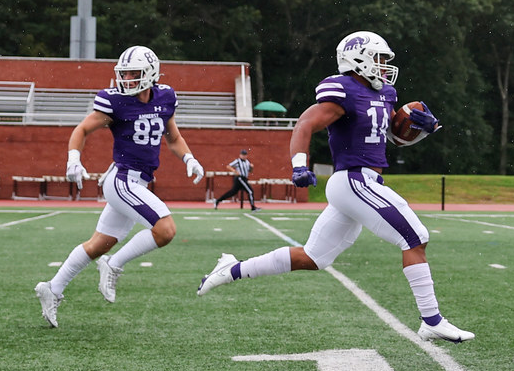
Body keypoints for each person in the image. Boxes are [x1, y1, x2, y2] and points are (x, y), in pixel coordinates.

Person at [196, 31, 474, 344]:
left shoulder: (385, 93)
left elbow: (390, 137)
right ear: (359, 58)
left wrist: (421, 129)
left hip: (362, 182)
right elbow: (305, 123)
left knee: (313, 257)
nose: (384, 65)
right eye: (379, 58)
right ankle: (432, 320)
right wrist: (299, 165)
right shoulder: (344, 89)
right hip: (354, 179)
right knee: (415, 237)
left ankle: (231, 269)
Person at [34, 45, 205, 328]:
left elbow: (173, 137)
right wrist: (73, 159)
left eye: (133, 74)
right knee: (165, 230)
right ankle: (113, 264)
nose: (126, 79)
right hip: (122, 179)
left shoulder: (165, 97)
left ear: (150, 73)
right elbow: (82, 129)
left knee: (99, 244)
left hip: (138, 182)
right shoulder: (116, 101)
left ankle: (52, 287)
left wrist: (189, 158)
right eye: (124, 74)